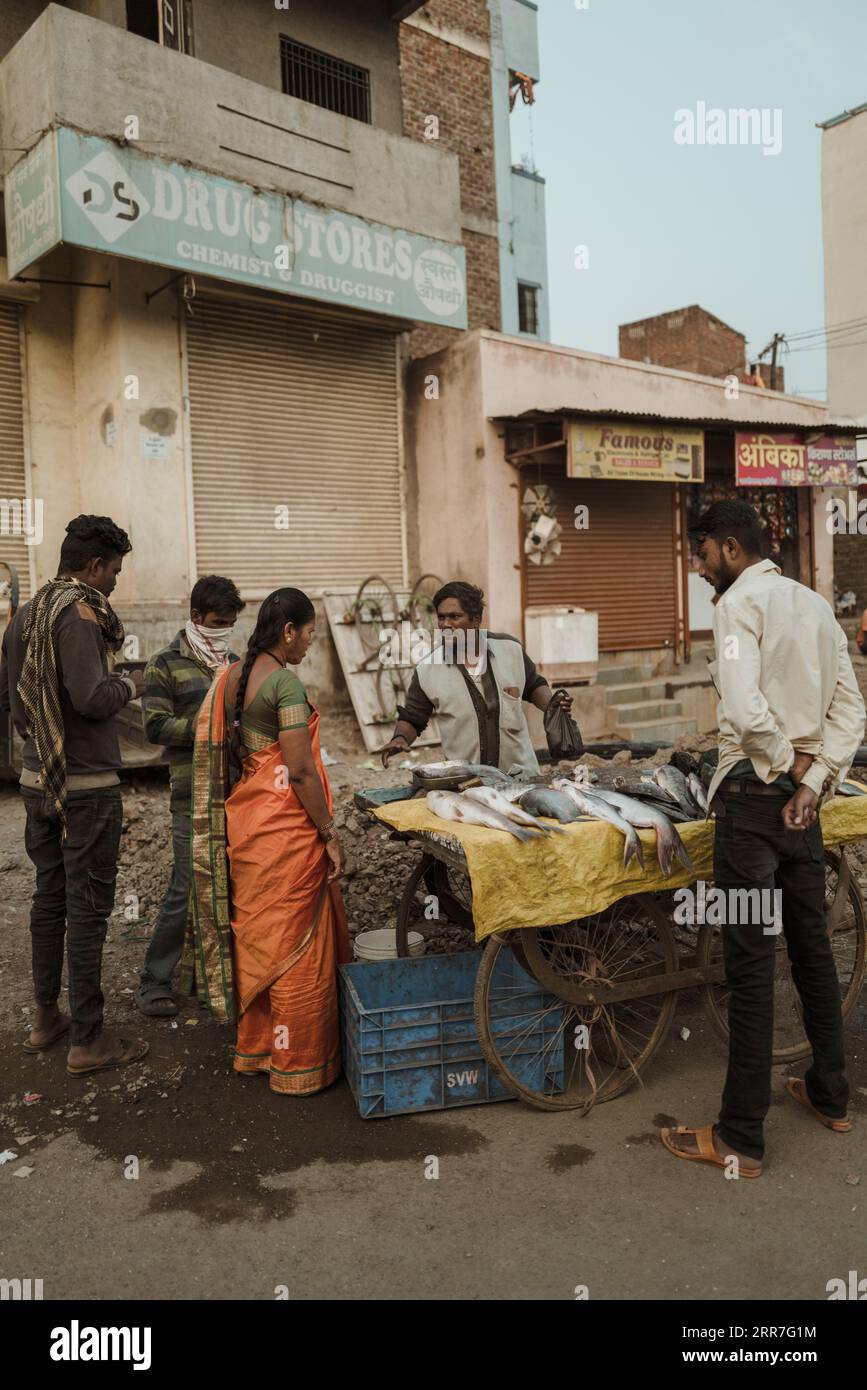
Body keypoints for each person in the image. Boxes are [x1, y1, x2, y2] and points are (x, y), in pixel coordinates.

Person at [661, 500, 865, 1177]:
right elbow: (849, 709)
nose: (695, 567)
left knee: (749, 968)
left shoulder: (735, 607)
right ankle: (830, 1094)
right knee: (810, 951)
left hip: (752, 807)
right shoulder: (811, 605)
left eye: (698, 552)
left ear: (726, 547)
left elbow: (744, 706)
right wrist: (812, 782)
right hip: (801, 811)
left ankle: (740, 1139)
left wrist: (786, 769)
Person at [0, 515, 149, 1077]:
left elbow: (13, 705)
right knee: (88, 913)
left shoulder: (26, 617)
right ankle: (87, 1041)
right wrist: (133, 682)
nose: (114, 581)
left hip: (39, 784)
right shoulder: (80, 613)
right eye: (114, 570)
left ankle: (46, 1021)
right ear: (92, 566)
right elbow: (90, 697)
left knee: (50, 901)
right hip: (85, 791)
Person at [186, 587, 350, 1095]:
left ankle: (259, 1050)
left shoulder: (231, 676)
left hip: (250, 825)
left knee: (262, 939)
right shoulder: (285, 684)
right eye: (307, 634)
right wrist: (329, 832)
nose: (308, 644)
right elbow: (300, 772)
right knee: (299, 949)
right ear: (288, 632)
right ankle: (300, 1063)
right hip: (288, 835)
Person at [136, 575, 245, 1017]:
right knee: (186, 887)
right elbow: (155, 727)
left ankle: (216, 977)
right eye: (218, 621)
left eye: (231, 623)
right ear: (196, 617)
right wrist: (210, 726)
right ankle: (154, 981)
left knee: (231, 885)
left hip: (236, 792)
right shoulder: (165, 664)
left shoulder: (236, 664)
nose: (224, 629)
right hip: (190, 793)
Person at [379, 581, 576, 773]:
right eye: (441, 617)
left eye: (454, 616)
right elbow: (413, 718)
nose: (445, 624)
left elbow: (533, 684)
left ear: (476, 619)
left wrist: (552, 705)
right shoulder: (427, 670)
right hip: (467, 784)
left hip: (521, 777)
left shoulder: (510, 650)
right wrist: (401, 738)